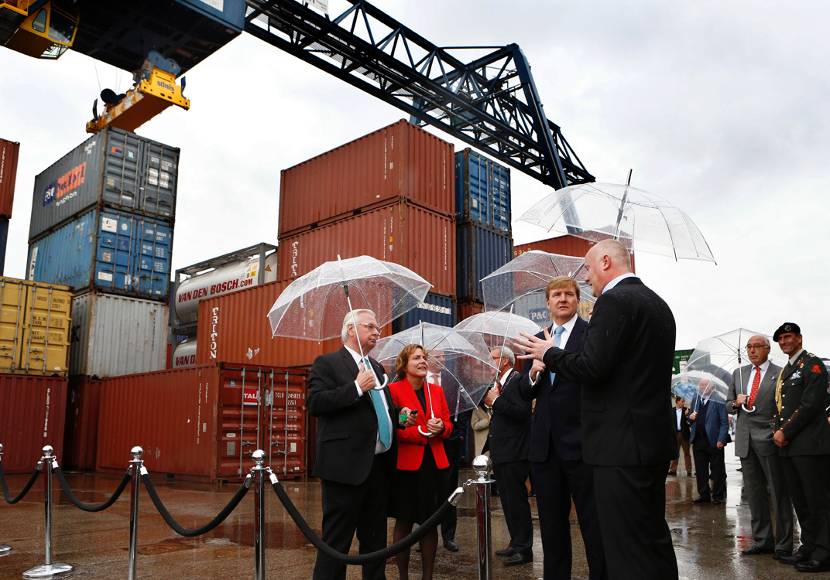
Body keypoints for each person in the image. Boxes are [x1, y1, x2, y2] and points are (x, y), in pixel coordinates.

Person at [514, 239, 678, 580]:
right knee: (651, 540)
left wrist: (549, 354)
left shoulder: (614, 302)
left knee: (623, 547)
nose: (587, 279)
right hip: (649, 443)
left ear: (605, 262)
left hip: (619, 447)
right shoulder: (658, 304)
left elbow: (592, 367)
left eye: (588, 269)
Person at [307, 309, 413, 580]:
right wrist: (355, 388)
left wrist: (399, 417)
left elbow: (382, 408)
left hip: (377, 467)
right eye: (370, 326)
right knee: (336, 542)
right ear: (351, 329)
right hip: (345, 469)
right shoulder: (327, 363)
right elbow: (315, 403)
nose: (377, 332)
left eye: (377, 327)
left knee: (375, 542)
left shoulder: (376, 367)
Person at [517, 275, 606, 580]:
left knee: (593, 525)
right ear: (548, 302)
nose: (563, 299)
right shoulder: (537, 337)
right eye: (556, 295)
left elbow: (593, 375)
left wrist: (555, 357)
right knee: (553, 528)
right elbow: (526, 393)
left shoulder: (589, 332)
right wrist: (535, 373)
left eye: (569, 294)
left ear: (577, 299)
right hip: (545, 447)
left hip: (582, 444)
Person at [388, 344, 453, 580]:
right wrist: (422, 432)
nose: (423, 361)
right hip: (407, 467)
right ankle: (403, 576)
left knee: (430, 523)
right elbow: (393, 430)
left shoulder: (435, 391)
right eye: (416, 358)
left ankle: (428, 577)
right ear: (404, 365)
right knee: (404, 523)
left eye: (424, 358)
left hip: (434, 466)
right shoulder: (394, 391)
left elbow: (448, 425)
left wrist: (441, 428)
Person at [725, 335, 792, 558]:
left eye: (757, 347)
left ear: (767, 349)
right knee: (754, 495)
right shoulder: (739, 374)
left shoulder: (780, 373)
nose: (752, 351)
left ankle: (784, 545)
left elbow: (786, 407)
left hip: (769, 439)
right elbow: (728, 405)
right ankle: (763, 540)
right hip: (745, 441)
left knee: (778, 492)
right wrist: (737, 402)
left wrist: (778, 430)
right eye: (749, 347)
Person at [771, 322, 830, 572]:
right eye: (781, 339)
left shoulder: (812, 364)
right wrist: (778, 428)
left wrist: (785, 430)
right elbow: (782, 406)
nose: (784, 342)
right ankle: (808, 546)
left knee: (818, 500)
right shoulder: (788, 369)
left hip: (810, 445)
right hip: (790, 446)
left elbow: (811, 405)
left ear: (799, 339)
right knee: (801, 501)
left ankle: (825, 552)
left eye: (788, 337)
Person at [482, 345, 534, 566]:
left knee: (517, 500)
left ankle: (524, 548)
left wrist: (496, 401)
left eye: (491, 358)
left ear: (504, 360)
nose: (488, 362)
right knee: (507, 501)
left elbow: (522, 413)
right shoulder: (497, 384)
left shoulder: (518, 380)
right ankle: (515, 541)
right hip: (501, 451)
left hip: (515, 451)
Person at [688, 379, 729, 504]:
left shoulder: (718, 399)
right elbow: (690, 419)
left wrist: (721, 439)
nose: (702, 387)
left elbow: (724, 422)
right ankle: (704, 495)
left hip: (714, 441)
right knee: (701, 471)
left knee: (717, 471)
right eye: (700, 385)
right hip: (698, 440)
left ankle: (718, 496)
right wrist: (690, 417)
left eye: (705, 385)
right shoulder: (695, 399)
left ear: (711, 387)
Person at [669, 397, 693, 477]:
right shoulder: (671, 411)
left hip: (685, 434)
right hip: (675, 434)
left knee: (687, 453)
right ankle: (672, 469)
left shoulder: (687, 410)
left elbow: (690, 423)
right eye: (682, 401)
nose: (683, 403)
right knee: (675, 452)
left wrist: (686, 416)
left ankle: (689, 470)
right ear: (677, 401)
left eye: (684, 401)